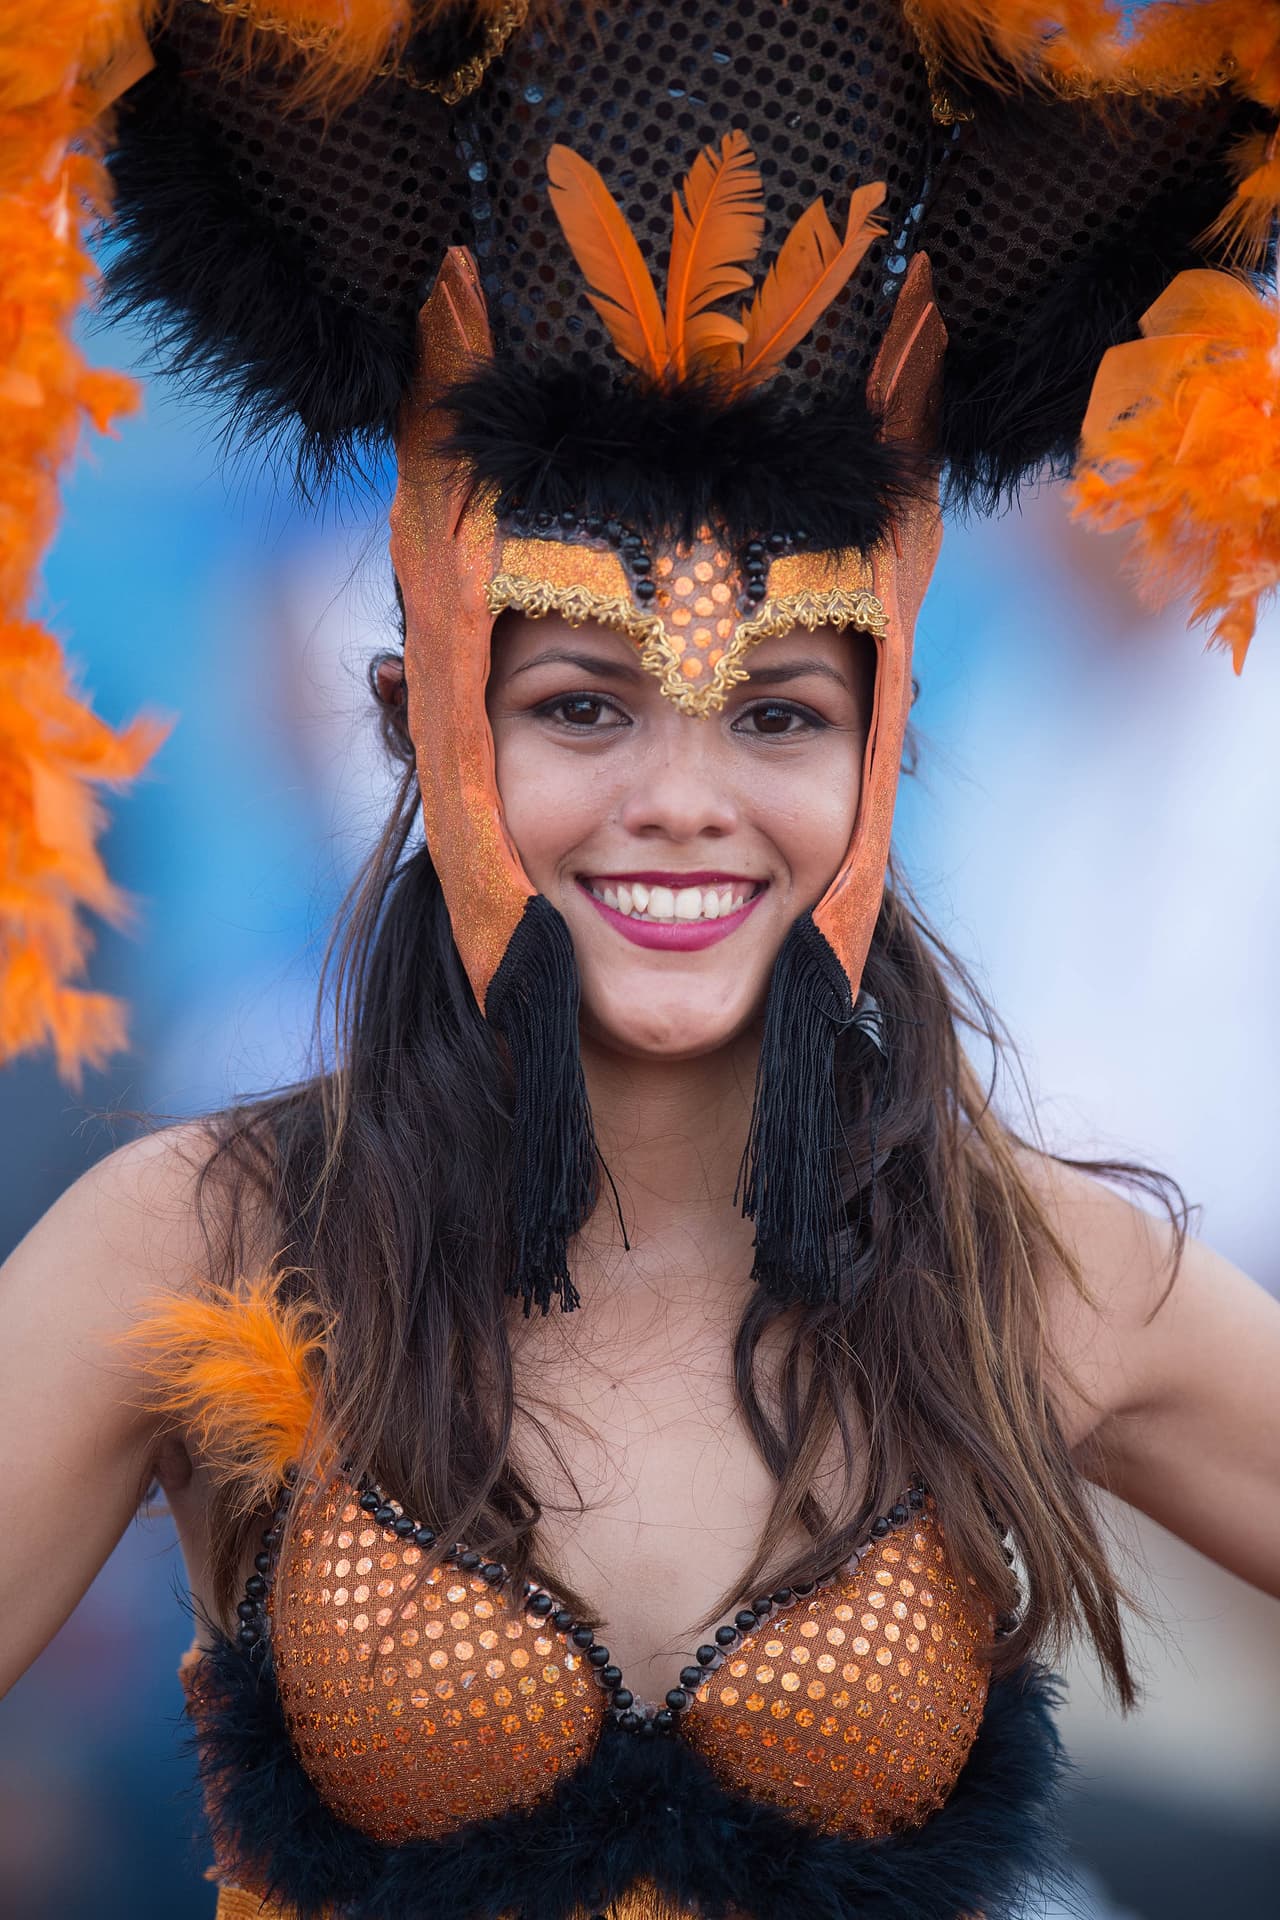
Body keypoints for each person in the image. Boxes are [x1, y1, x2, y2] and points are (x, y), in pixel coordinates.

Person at [3, 5, 1280, 1918]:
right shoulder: (210, 1238)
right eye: (585, 707)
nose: (683, 802)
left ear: (881, 754)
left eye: (778, 717)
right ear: (423, 723)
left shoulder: (1032, 1273)